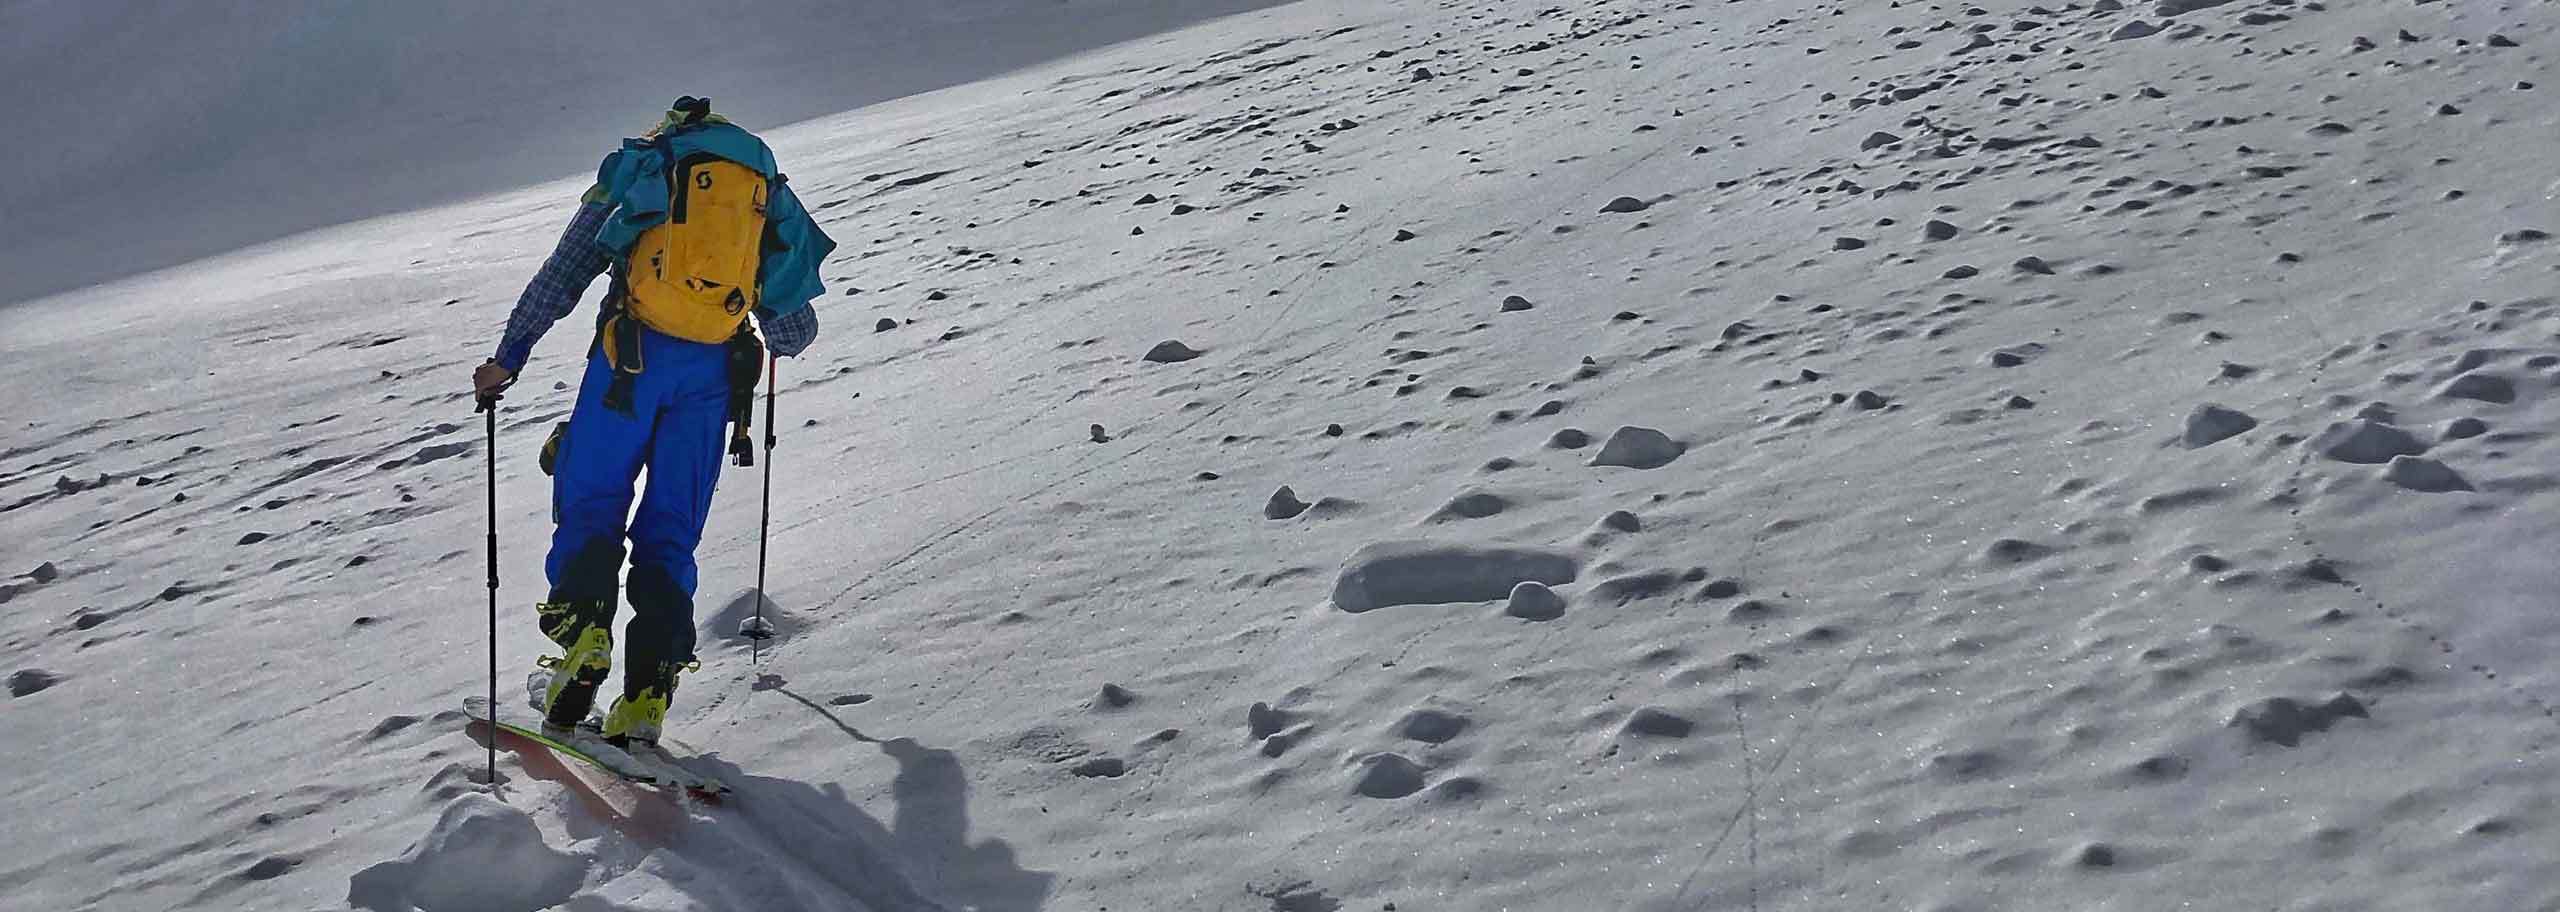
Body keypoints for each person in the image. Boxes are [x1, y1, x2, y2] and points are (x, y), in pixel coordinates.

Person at [471, 96, 834, 746]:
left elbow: (564, 273)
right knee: (670, 533)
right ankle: (647, 693)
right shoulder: (763, 188)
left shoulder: (643, 166)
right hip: (710, 383)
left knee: (591, 501)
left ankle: (581, 646)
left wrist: (509, 356)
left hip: (628, 365)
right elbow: (796, 330)